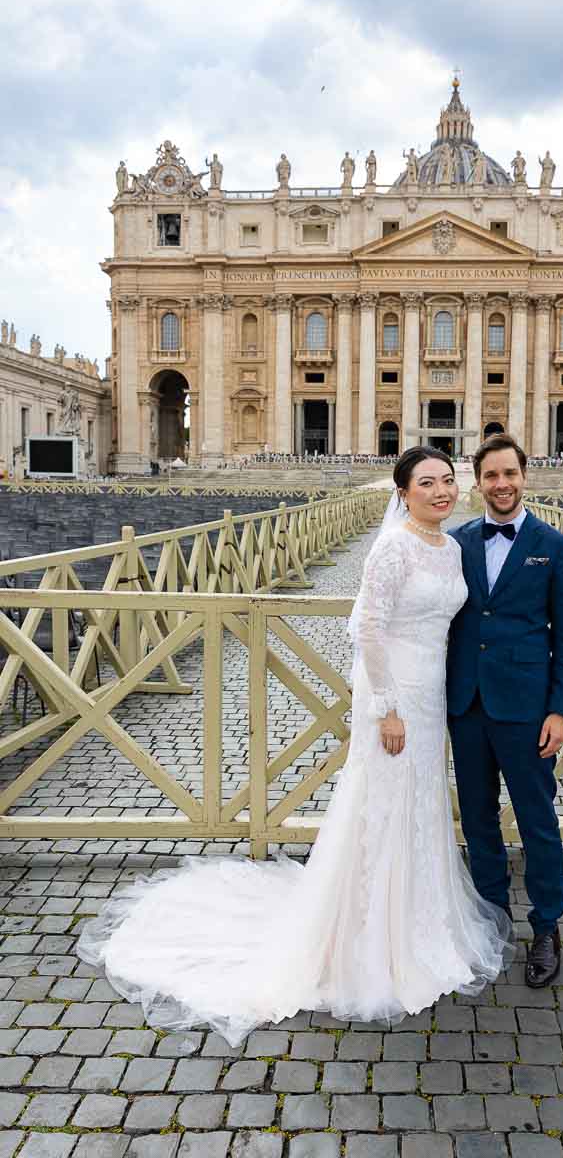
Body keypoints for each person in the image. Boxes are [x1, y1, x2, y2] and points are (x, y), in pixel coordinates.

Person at [77, 447, 514, 1044]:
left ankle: (417, 917)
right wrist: (385, 706)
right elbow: (366, 627)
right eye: (427, 483)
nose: (442, 491)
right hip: (393, 694)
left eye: (447, 480)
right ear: (403, 491)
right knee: (380, 800)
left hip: (433, 690)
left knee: (420, 799)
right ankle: (366, 933)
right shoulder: (391, 546)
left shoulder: (452, 546)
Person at [446, 433, 563, 989]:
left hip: (527, 708)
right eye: (491, 476)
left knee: (537, 820)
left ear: (525, 478)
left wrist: (561, 710)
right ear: (477, 484)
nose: (501, 485)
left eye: (510, 475)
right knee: (477, 817)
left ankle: (546, 926)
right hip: (468, 704)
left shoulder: (556, 545)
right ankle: (491, 915)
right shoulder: (454, 543)